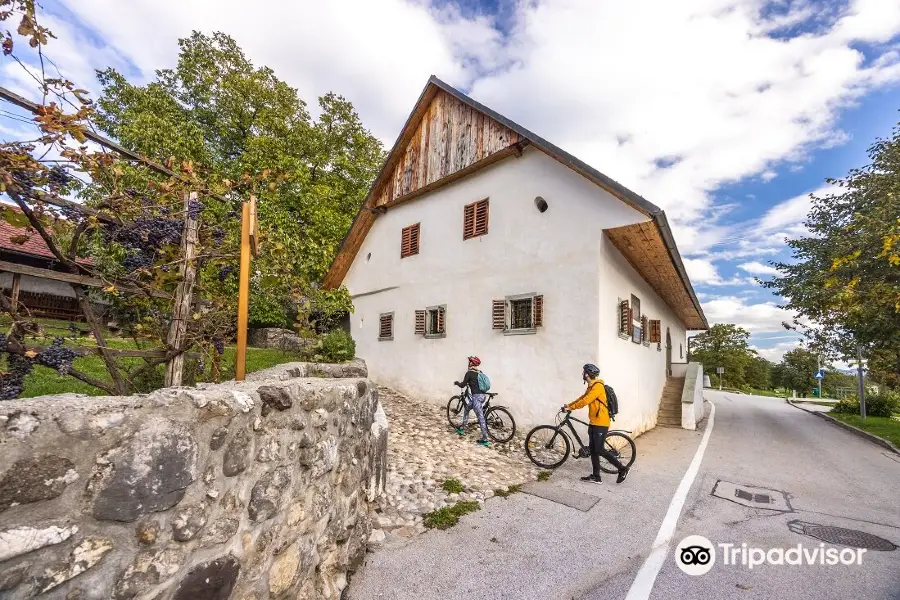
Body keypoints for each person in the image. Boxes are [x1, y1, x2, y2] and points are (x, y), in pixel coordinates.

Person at [564, 363, 629, 484]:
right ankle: (596, 476)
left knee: (599, 449)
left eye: (584, 372)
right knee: (594, 450)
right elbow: (582, 398)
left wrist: (572, 408)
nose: (582, 374)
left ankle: (622, 468)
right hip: (594, 422)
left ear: (587, 374)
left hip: (601, 422)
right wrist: (569, 406)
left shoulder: (598, 387)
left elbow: (585, 401)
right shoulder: (591, 386)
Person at [454, 356, 490, 447]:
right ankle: (462, 428)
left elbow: (463, 385)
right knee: (467, 408)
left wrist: (457, 383)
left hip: (476, 398)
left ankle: (485, 440)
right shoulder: (480, 372)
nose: (468, 363)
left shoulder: (469, 373)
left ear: (471, 363)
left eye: (469, 362)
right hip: (482, 396)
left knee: (480, 417)